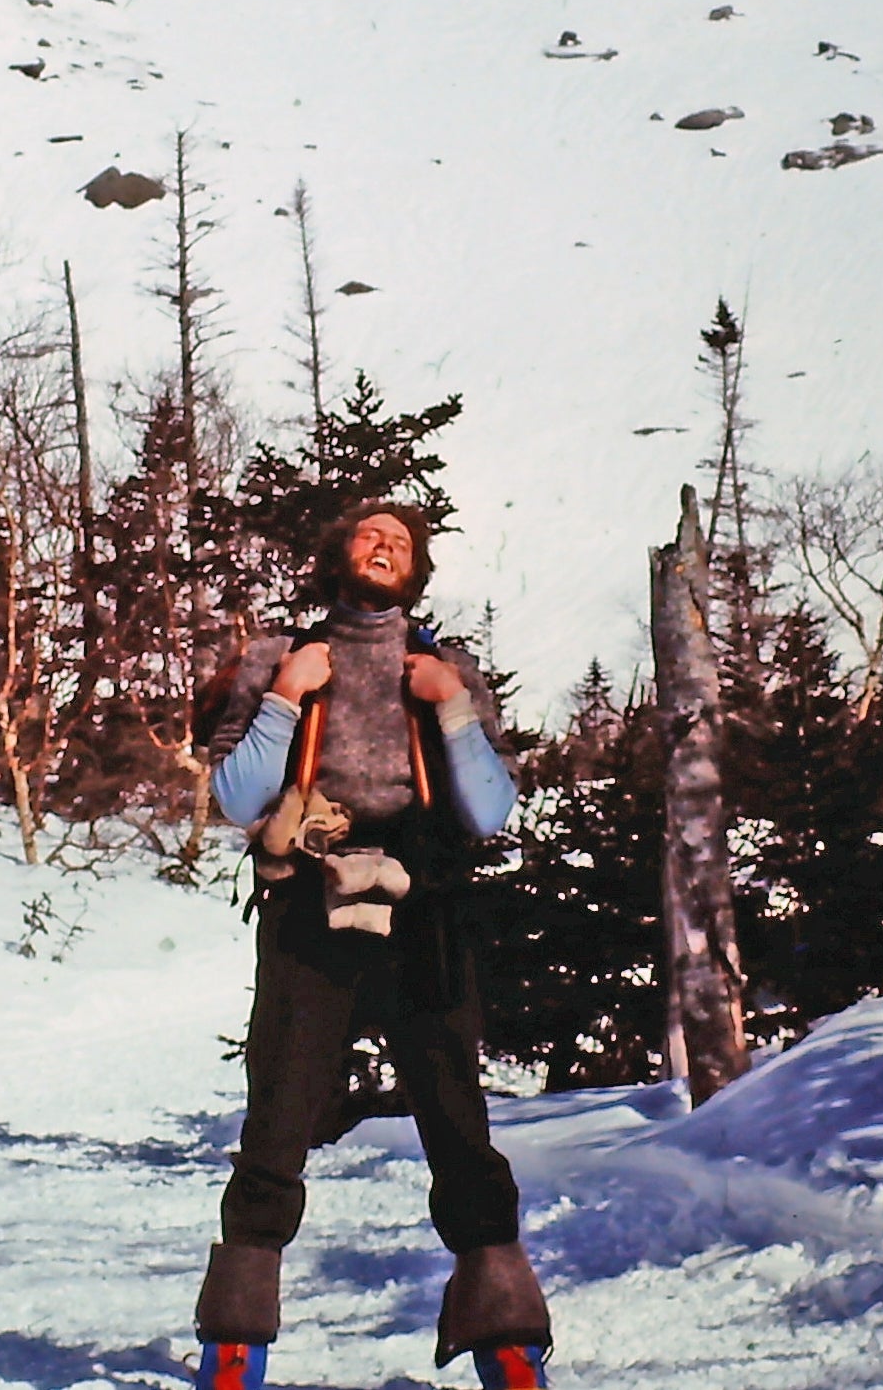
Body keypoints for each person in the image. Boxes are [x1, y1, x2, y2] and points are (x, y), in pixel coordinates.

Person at [189, 501, 552, 1390]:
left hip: (426, 903)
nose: (384, 546)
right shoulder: (282, 660)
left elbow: (488, 811)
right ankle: (234, 1343)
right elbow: (237, 800)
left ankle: (505, 1335)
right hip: (310, 901)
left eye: (400, 541)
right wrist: (281, 698)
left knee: (456, 1116)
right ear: (336, 558)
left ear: (417, 571)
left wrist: (453, 706)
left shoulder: (444, 668)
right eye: (368, 535)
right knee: (278, 1116)